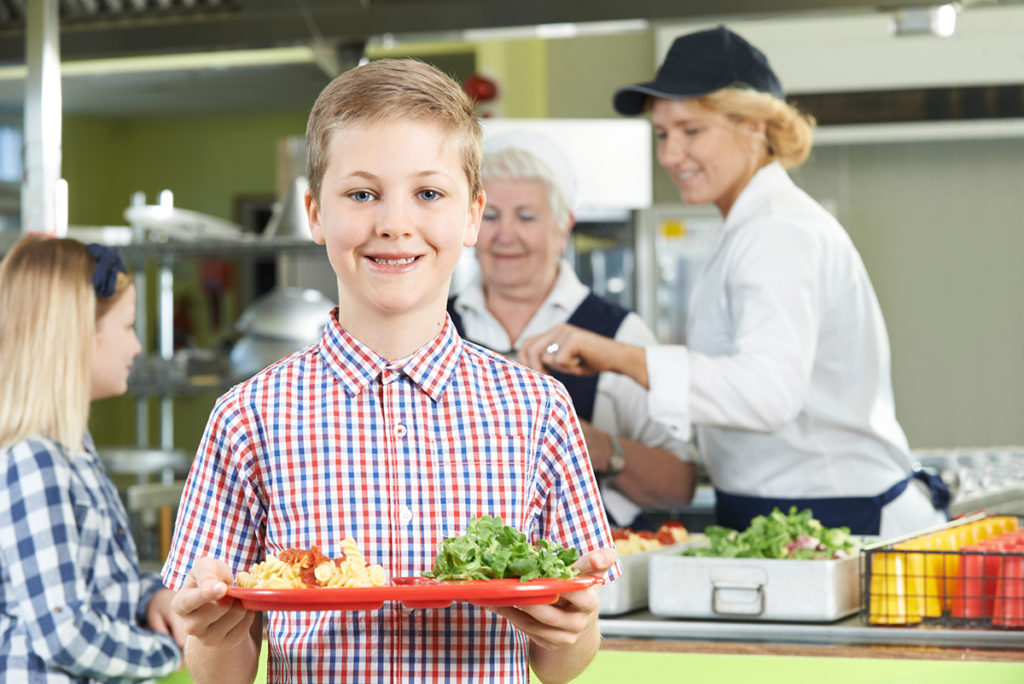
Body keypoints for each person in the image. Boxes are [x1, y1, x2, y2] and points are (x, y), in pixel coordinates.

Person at [162, 58, 619, 684]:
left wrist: (574, 628)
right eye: (361, 193)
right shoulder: (249, 416)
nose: (394, 223)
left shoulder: (538, 409)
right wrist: (213, 632)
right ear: (316, 213)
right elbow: (222, 672)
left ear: (471, 216)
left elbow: (562, 663)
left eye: (428, 194)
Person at [519, 25, 948, 539]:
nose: (671, 155)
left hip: (835, 515)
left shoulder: (777, 231)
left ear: (755, 127)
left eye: (691, 131)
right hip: (787, 512)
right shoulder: (751, 225)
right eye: (662, 134)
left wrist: (616, 356)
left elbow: (767, 394)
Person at [448, 130, 697, 528]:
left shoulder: (619, 334)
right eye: (491, 216)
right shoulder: (434, 327)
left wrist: (602, 448)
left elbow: (679, 485)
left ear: (563, 228)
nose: (505, 235)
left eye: (526, 216)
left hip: (590, 569)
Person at [0, 236, 184, 681]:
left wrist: (150, 598)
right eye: (128, 327)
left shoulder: (71, 448)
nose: (137, 346)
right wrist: (172, 654)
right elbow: (64, 632)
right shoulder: (32, 460)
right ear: (79, 333)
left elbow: (100, 583)